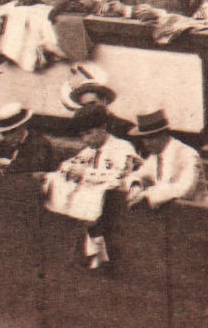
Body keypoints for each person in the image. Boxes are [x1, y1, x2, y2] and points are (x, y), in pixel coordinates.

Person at [47, 105, 139, 270]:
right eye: (82, 135)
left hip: (120, 210)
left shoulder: (122, 148)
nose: (86, 140)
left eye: (89, 133)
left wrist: (86, 173)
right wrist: (71, 169)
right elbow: (65, 165)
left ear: (103, 128)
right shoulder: (90, 150)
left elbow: (120, 177)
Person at [124, 110, 208, 208]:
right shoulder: (155, 156)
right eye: (144, 138)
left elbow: (183, 189)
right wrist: (136, 185)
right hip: (171, 213)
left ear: (164, 134)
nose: (146, 143)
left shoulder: (186, 154)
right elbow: (139, 174)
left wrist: (147, 194)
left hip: (197, 213)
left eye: (151, 137)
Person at [0, 103, 58, 176]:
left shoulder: (40, 144)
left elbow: (36, 166)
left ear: (22, 127)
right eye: (4, 134)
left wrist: (10, 164)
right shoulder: (6, 144)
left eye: (12, 132)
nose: (8, 137)